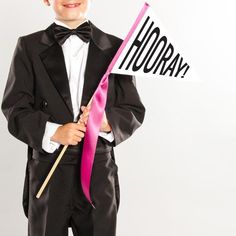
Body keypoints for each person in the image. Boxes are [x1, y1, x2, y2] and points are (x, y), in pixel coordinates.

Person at [1, 0, 145, 235]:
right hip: (49, 170)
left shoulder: (117, 49)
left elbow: (133, 109)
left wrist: (105, 121)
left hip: (97, 173)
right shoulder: (28, 47)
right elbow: (15, 108)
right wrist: (54, 132)